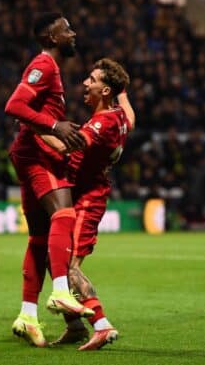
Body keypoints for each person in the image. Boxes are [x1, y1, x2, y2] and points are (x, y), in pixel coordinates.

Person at [4, 12, 93, 347]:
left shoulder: (52, 69)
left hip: (31, 150)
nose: (73, 33)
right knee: (64, 215)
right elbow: (14, 105)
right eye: (66, 29)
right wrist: (54, 126)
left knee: (39, 239)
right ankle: (59, 291)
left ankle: (27, 316)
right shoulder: (44, 65)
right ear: (52, 38)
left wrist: (52, 127)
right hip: (36, 153)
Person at [41, 58, 134, 350]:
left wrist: (33, 124)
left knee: (69, 267)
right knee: (52, 259)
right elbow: (131, 116)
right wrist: (123, 93)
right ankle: (75, 326)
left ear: (104, 91)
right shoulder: (118, 115)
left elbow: (60, 145)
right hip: (79, 193)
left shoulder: (102, 122)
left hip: (87, 199)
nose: (85, 83)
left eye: (92, 80)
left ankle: (102, 325)